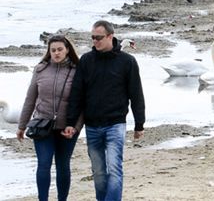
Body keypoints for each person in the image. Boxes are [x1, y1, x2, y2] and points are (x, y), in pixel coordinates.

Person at [63, 21, 144, 201]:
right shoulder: (86, 60)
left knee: (115, 168)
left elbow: (136, 93)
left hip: (116, 124)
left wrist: (140, 123)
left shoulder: (127, 61)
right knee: (98, 172)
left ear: (110, 36)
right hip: (92, 126)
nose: (95, 41)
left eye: (98, 38)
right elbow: (77, 93)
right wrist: (70, 122)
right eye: (92, 37)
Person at [17, 36, 81, 201]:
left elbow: (83, 104)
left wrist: (75, 127)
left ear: (67, 50)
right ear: (49, 52)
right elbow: (30, 99)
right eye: (53, 50)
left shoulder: (77, 71)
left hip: (66, 128)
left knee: (62, 166)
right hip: (42, 126)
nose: (56, 53)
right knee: (44, 164)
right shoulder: (40, 69)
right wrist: (22, 125)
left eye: (60, 49)